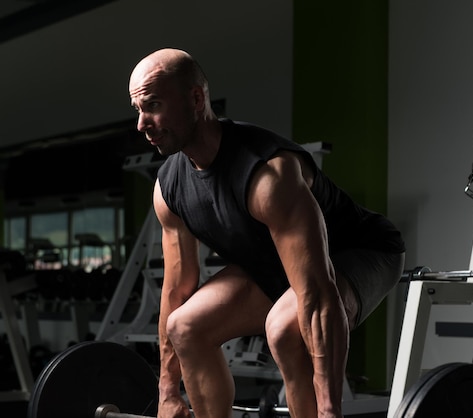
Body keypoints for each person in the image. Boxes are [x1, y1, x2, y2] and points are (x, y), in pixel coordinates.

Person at [128, 48, 405, 418]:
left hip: (359, 251)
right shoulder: (169, 189)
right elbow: (177, 290)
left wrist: (329, 411)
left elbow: (317, 296)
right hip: (273, 265)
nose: (142, 124)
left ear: (196, 98)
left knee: (284, 328)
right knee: (185, 325)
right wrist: (167, 392)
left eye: (153, 105)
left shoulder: (266, 175)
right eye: (138, 110)